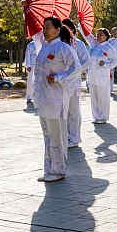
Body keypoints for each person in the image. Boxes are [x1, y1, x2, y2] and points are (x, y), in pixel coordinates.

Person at [33, 17, 82, 182]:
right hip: (43, 99)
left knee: (57, 135)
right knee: (48, 135)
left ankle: (59, 169)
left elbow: (76, 69)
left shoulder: (64, 48)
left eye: (47, 27)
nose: (44, 30)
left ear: (57, 29)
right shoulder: (44, 48)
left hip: (56, 99)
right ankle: (49, 169)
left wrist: (59, 77)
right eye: (43, 27)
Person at [82, 27, 117, 123]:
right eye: (97, 35)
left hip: (102, 76)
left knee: (103, 97)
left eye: (101, 35)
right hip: (92, 76)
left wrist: (106, 64)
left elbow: (115, 61)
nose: (98, 36)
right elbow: (87, 35)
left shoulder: (109, 47)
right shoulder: (94, 45)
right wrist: (81, 24)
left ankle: (103, 117)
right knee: (94, 97)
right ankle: (96, 116)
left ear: (106, 36)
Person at [65, 19, 88, 147]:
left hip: (73, 82)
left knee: (73, 110)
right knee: (63, 111)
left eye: (66, 28)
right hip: (61, 83)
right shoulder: (60, 44)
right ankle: (66, 135)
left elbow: (86, 61)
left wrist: (75, 71)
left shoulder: (78, 44)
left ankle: (74, 138)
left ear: (72, 30)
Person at [23, 33, 40, 109]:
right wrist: (28, 65)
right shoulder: (30, 45)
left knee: (39, 82)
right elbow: (27, 55)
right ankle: (29, 97)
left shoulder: (43, 44)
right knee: (30, 82)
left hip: (40, 66)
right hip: (32, 66)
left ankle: (38, 97)